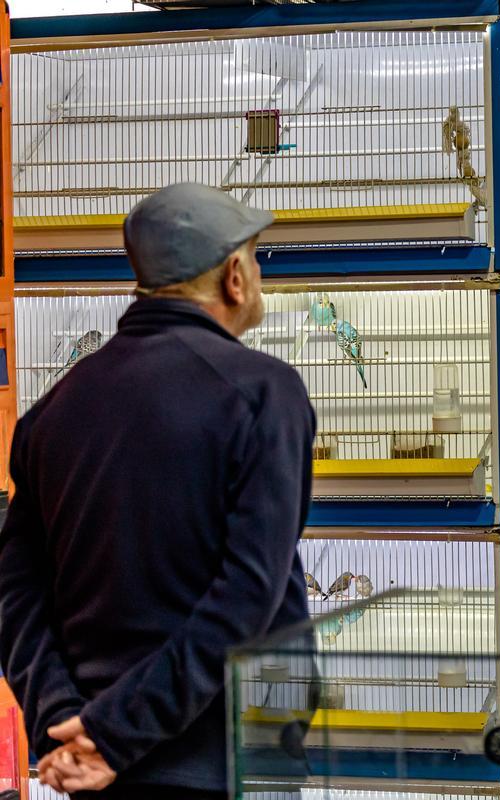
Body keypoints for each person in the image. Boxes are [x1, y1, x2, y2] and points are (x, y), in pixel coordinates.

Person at [0, 183, 316, 798]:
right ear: (233, 277)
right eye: (254, 258)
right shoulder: (263, 394)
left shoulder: (51, 414)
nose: (256, 272)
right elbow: (246, 598)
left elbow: (14, 592)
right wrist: (114, 733)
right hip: (226, 766)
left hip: (93, 768)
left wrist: (61, 719)